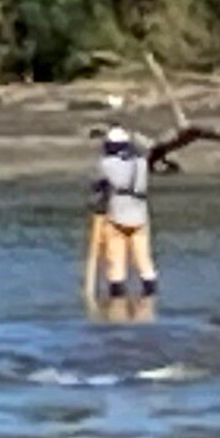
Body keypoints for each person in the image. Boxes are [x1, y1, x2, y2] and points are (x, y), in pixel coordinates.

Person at [85, 121, 156, 313]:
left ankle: (117, 309)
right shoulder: (141, 163)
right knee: (145, 264)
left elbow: (96, 186)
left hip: (117, 217)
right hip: (140, 217)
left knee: (116, 267)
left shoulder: (106, 164)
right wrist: (134, 135)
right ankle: (149, 306)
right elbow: (149, 146)